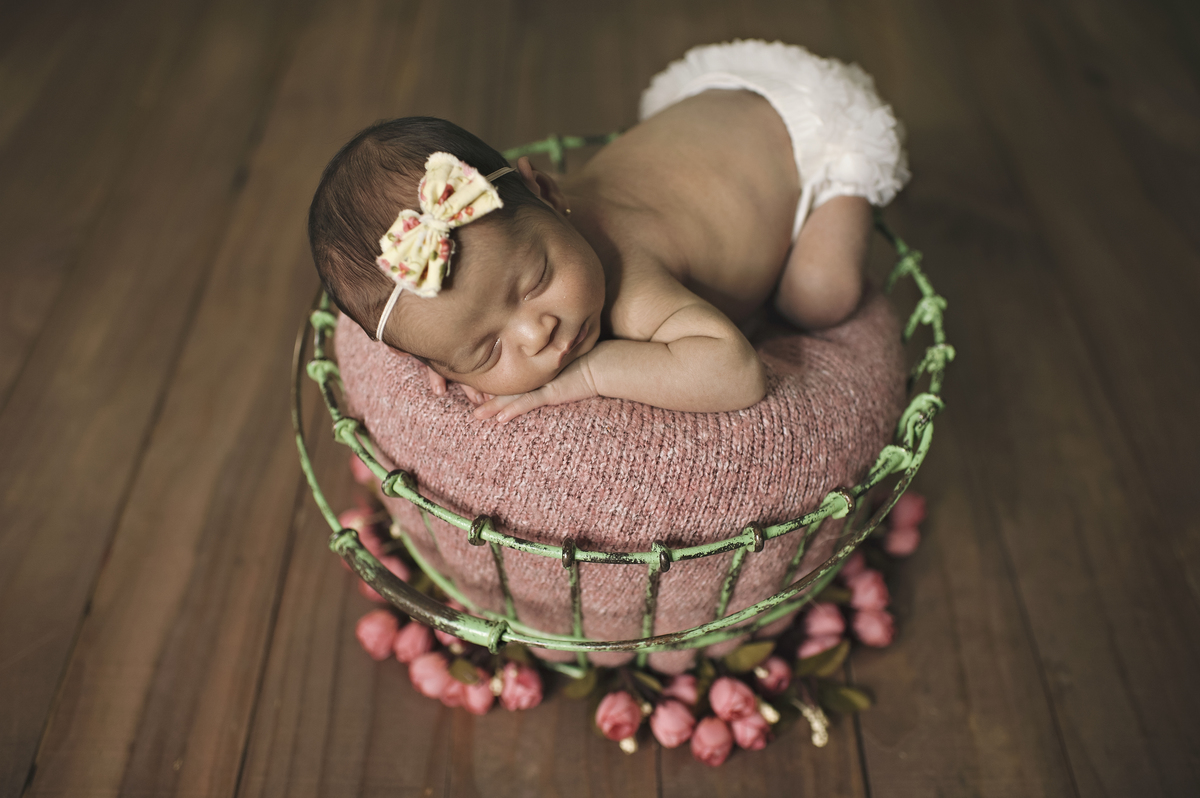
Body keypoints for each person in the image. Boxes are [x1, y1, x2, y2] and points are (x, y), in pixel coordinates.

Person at [309, 40, 908, 423]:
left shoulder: (629, 278)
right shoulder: (516, 242)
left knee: (818, 297)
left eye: (537, 278)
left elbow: (738, 373)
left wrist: (590, 373)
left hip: (808, 133)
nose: (537, 333)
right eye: (486, 350)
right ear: (441, 373)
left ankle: (847, 180)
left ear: (547, 191)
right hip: (717, 122)